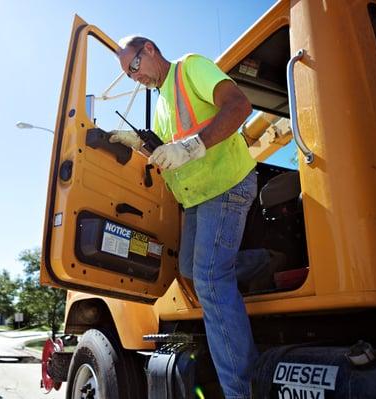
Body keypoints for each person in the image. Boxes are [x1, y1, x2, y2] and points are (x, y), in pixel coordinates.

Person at [110, 36, 274, 399]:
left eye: (133, 66)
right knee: (188, 271)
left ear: (150, 49)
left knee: (211, 280)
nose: (134, 77)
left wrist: (192, 146)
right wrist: (141, 145)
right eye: (127, 74)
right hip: (198, 198)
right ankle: (262, 262)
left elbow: (238, 106)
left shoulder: (190, 67)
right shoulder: (161, 106)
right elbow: (169, 151)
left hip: (227, 184)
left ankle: (241, 391)